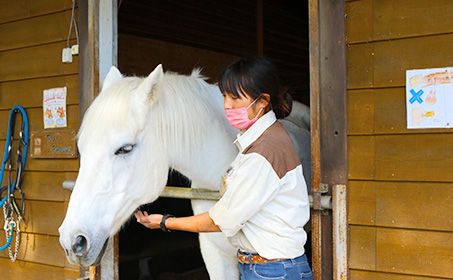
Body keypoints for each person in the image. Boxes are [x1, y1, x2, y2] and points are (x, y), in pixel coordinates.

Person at [135, 56, 312, 280]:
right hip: (268, 267)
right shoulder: (260, 140)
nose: (227, 105)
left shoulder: (263, 153)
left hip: (273, 271)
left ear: (262, 101)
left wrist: (164, 222)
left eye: (235, 98)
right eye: (224, 96)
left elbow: (221, 220)